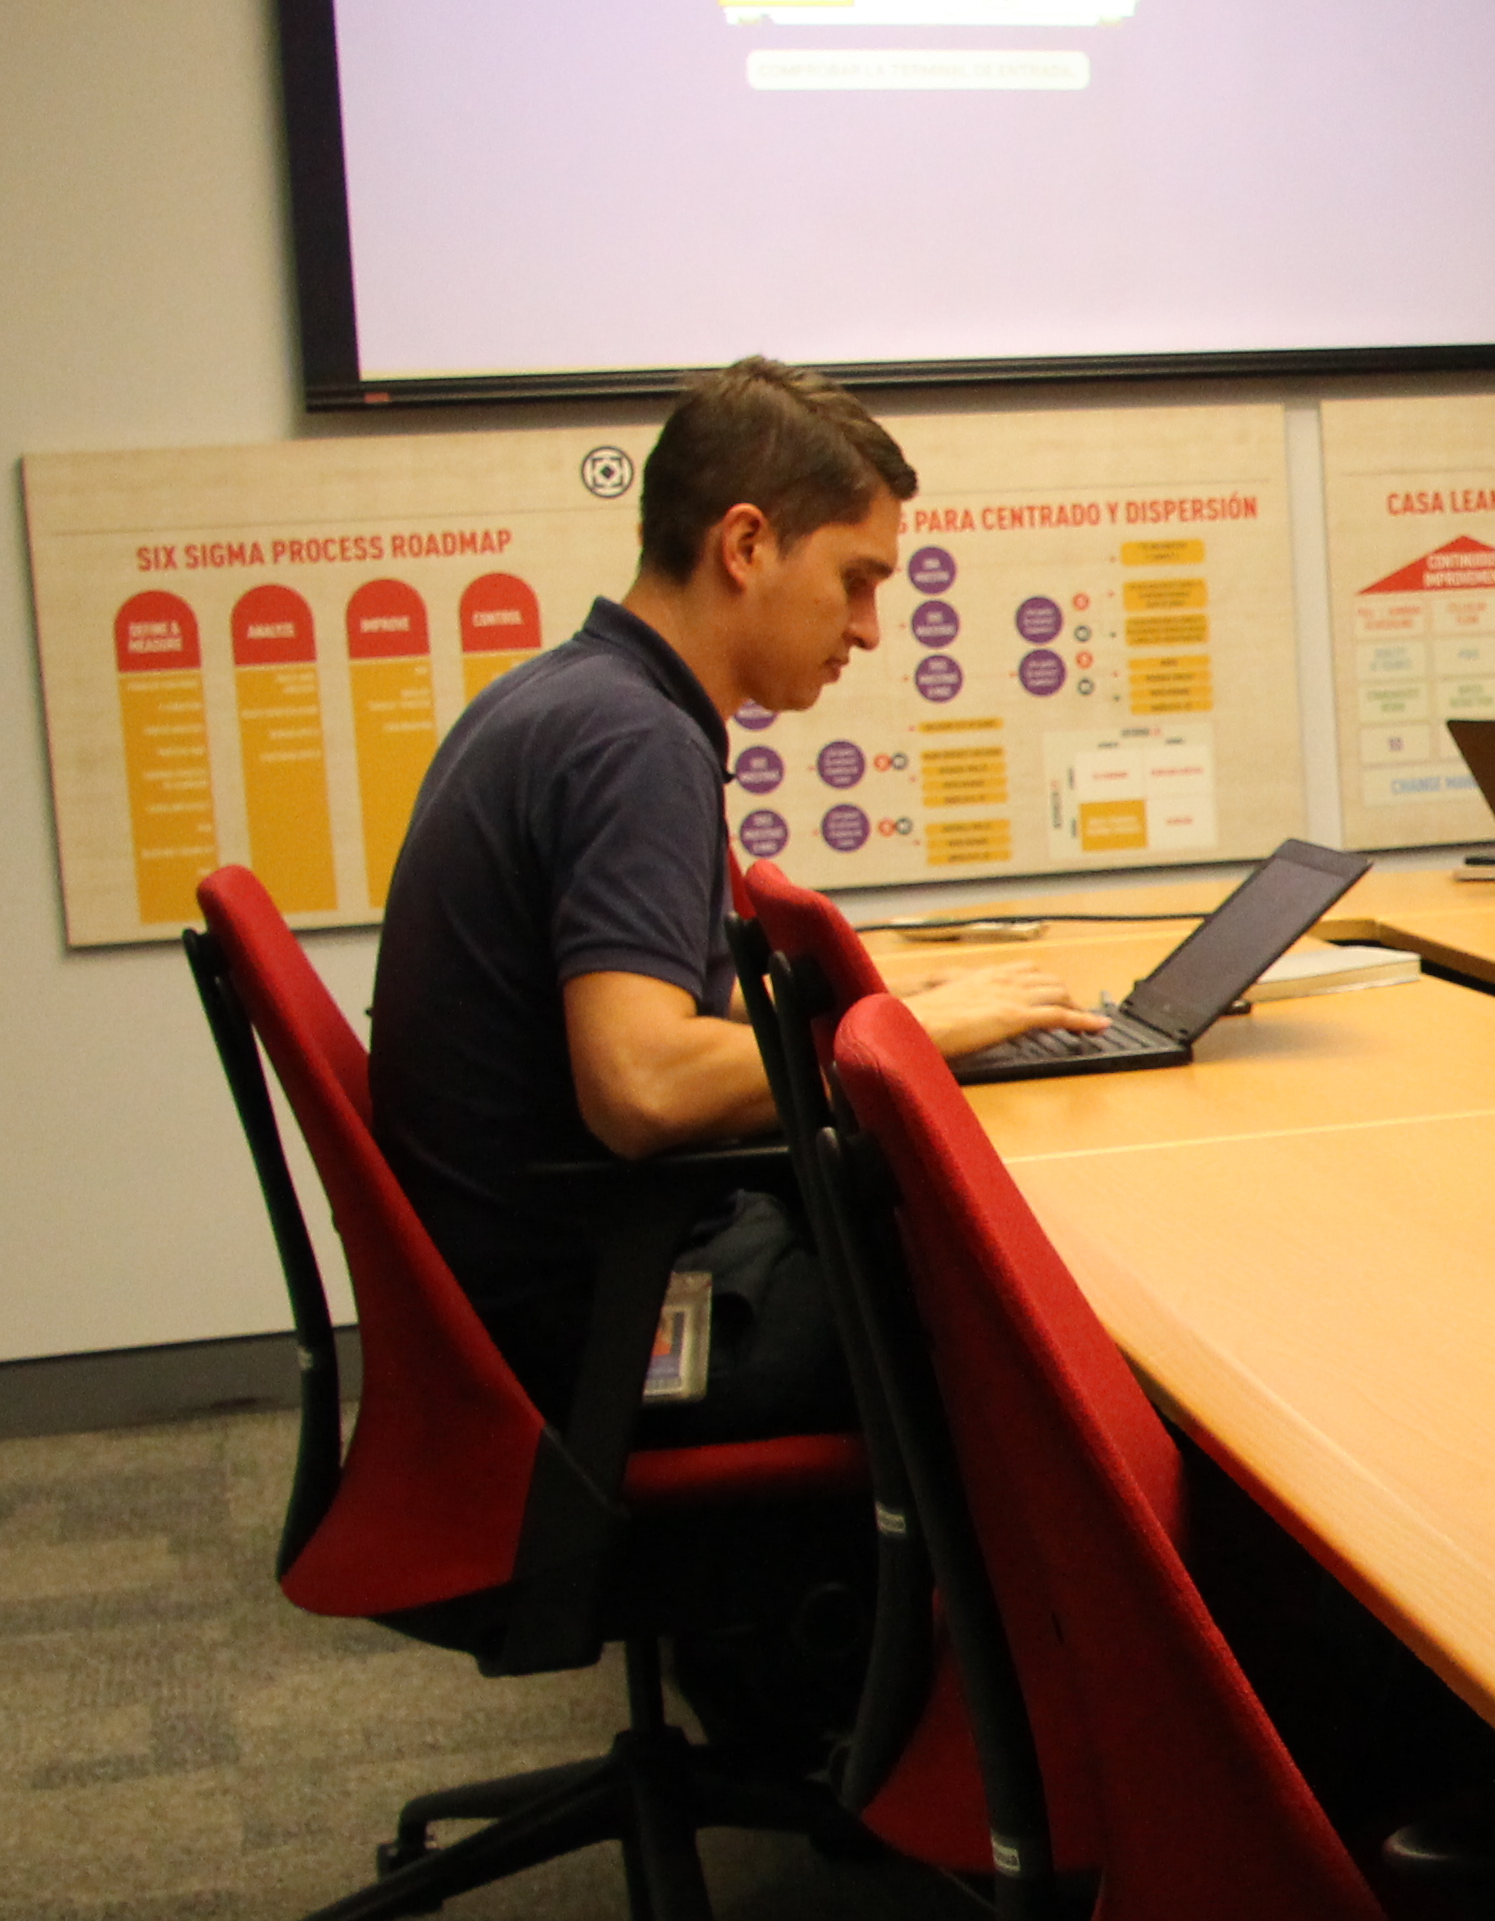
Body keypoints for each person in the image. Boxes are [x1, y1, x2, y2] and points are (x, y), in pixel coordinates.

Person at [370, 356, 1091, 1444]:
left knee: (928, 1243)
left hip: (533, 1290)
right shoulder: (635, 743)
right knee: (1030, 1331)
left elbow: (636, 1035)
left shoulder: (562, 697)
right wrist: (911, 1036)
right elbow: (642, 1083)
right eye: (856, 579)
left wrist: (891, 1007)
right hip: (600, 1329)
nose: (869, 629)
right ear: (746, 545)